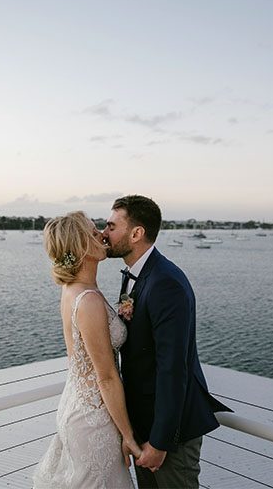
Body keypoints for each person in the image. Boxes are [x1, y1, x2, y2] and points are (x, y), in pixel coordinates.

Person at [103, 195, 232, 489]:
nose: (104, 233)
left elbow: (173, 369)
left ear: (136, 234)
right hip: (144, 425)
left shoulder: (166, 283)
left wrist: (160, 442)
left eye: (111, 226)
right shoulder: (137, 275)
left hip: (171, 434)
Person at [33, 211, 141, 489]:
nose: (102, 235)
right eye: (94, 232)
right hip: (93, 419)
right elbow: (105, 376)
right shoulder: (88, 300)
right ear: (81, 246)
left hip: (77, 403)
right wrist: (128, 436)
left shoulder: (72, 289)